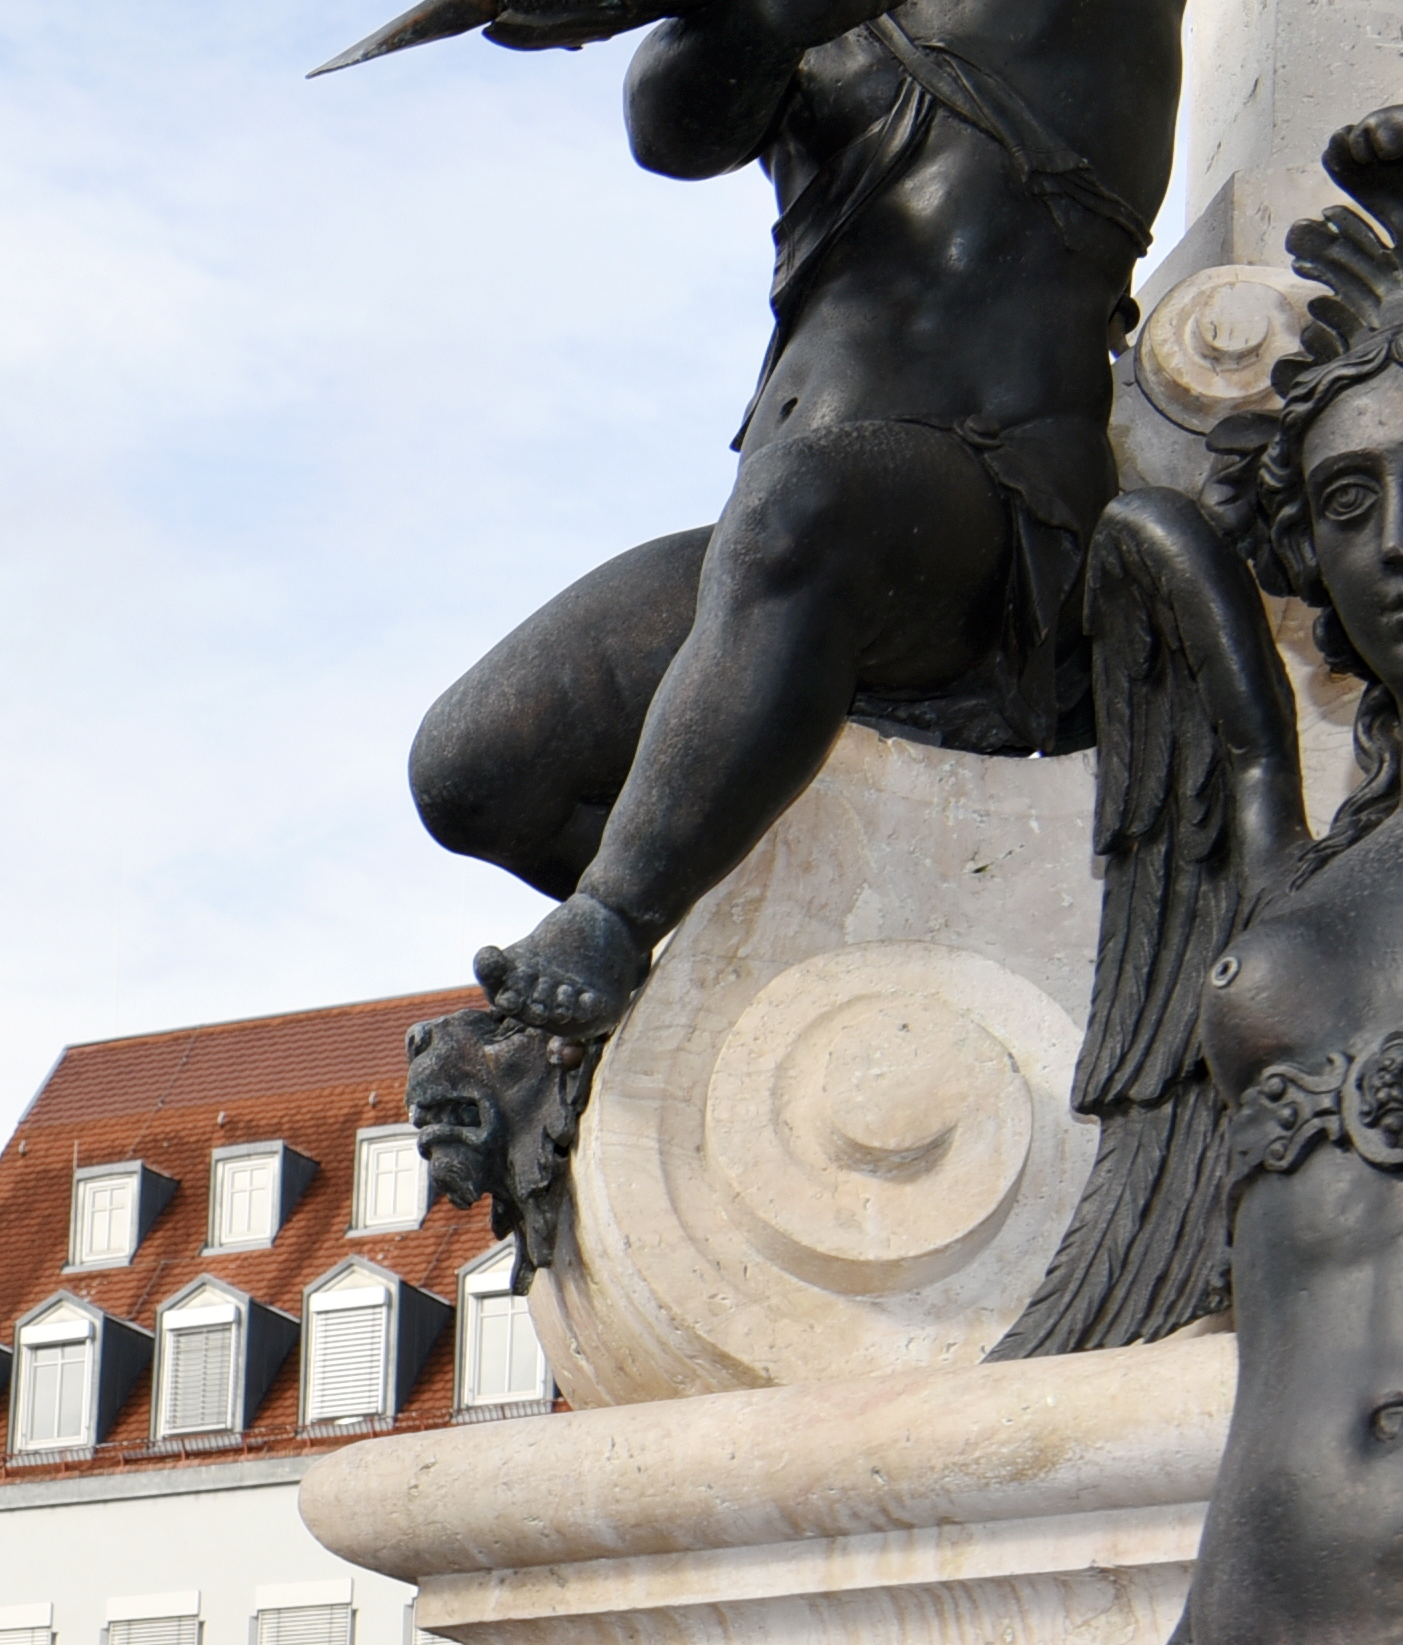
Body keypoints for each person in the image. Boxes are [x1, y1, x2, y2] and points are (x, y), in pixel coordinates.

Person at [408, 0, 1185, 1043]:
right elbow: (670, 127)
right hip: (787, 536)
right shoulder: (794, 35)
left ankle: (615, 912)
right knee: (472, 768)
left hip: (1000, 518)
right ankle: (749, 885)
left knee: (798, 505)